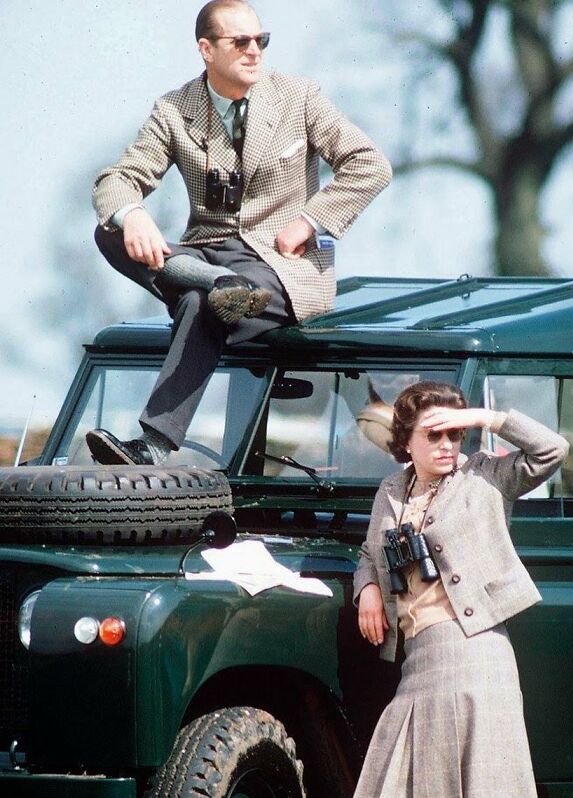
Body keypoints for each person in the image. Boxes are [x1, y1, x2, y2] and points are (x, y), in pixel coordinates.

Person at [86, 0, 392, 466]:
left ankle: (151, 444)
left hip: (279, 265)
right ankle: (215, 283)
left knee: (199, 305)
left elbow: (370, 163)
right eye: (241, 42)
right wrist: (134, 214)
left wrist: (310, 221)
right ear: (206, 50)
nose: (255, 51)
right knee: (110, 230)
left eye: (261, 40)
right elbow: (115, 179)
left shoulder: (299, 97)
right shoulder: (175, 110)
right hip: (205, 255)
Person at [345, 381, 569, 798]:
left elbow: (555, 450)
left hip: (472, 653)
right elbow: (368, 554)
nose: (447, 445)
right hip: (418, 656)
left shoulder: (486, 475)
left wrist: (485, 420)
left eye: (454, 434)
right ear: (405, 443)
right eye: (434, 434)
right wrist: (367, 590)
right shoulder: (391, 490)